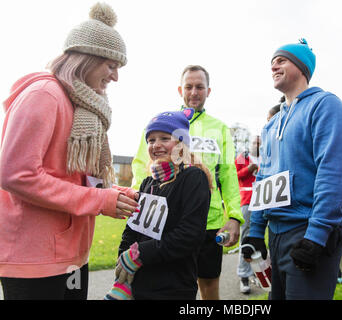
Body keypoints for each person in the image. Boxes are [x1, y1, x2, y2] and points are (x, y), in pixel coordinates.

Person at [0, 3, 139, 300]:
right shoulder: (43, 95)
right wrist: (99, 199)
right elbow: (16, 174)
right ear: (87, 58)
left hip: (73, 255)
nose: (115, 77)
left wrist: (113, 192)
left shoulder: (82, 105)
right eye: (111, 65)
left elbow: (73, 177)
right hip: (35, 260)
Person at [242, 38, 342, 300]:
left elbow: (333, 174)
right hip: (277, 233)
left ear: (302, 67)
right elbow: (263, 177)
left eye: (281, 60)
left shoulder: (326, 105)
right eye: (271, 63)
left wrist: (316, 236)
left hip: (310, 230)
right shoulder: (272, 123)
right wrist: (257, 232)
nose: (273, 67)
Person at [131, 65, 244, 300]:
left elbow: (229, 174)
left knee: (210, 288)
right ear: (180, 89)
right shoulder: (161, 123)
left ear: (208, 90)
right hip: (167, 223)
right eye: (189, 86)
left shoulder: (220, 129)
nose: (194, 92)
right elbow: (142, 165)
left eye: (200, 87)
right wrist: (138, 204)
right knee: (172, 288)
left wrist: (234, 216)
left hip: (209, 223)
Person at [104, 109, 212, 300]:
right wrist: (123, 263)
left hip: (173, 286)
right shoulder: (148, 183)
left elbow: (189, 235)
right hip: (139, 282)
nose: (156, 145)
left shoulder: (193, 178)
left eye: (164, 138)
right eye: (151, 140)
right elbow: (132, 228)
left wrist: (139, 254)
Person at [235, 135, 261, 294]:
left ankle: (258, 273)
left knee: (260, 239)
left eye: (259, 143)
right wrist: (250, 168)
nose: (257, 145)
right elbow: (235, 176)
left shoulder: (267, 157)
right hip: (247, 201)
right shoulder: (242, 157)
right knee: (246, 238)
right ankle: (244, 275)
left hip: (264, 202)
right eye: (254, 142)